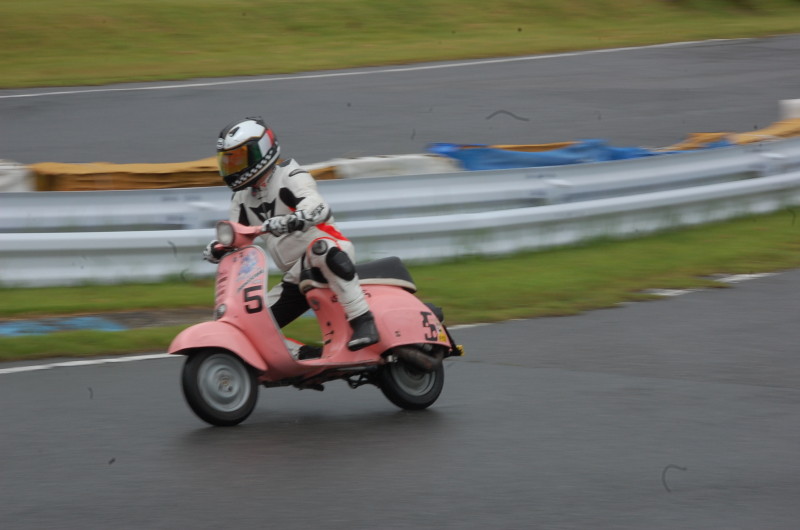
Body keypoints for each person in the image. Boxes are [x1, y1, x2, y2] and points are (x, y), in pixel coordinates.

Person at [203, 116, 379, 353]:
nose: (232, 167)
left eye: (238, 159)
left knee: (321, 249)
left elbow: (318, 206)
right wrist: (220, 247)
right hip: (296, 275)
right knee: (250, 324)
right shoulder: (241, 199)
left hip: (329, 254)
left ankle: (363, 320)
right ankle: (305, 357)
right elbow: (238, 235)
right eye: (228, 161)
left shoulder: (291, 175)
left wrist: (295, 218)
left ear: (261, 151)